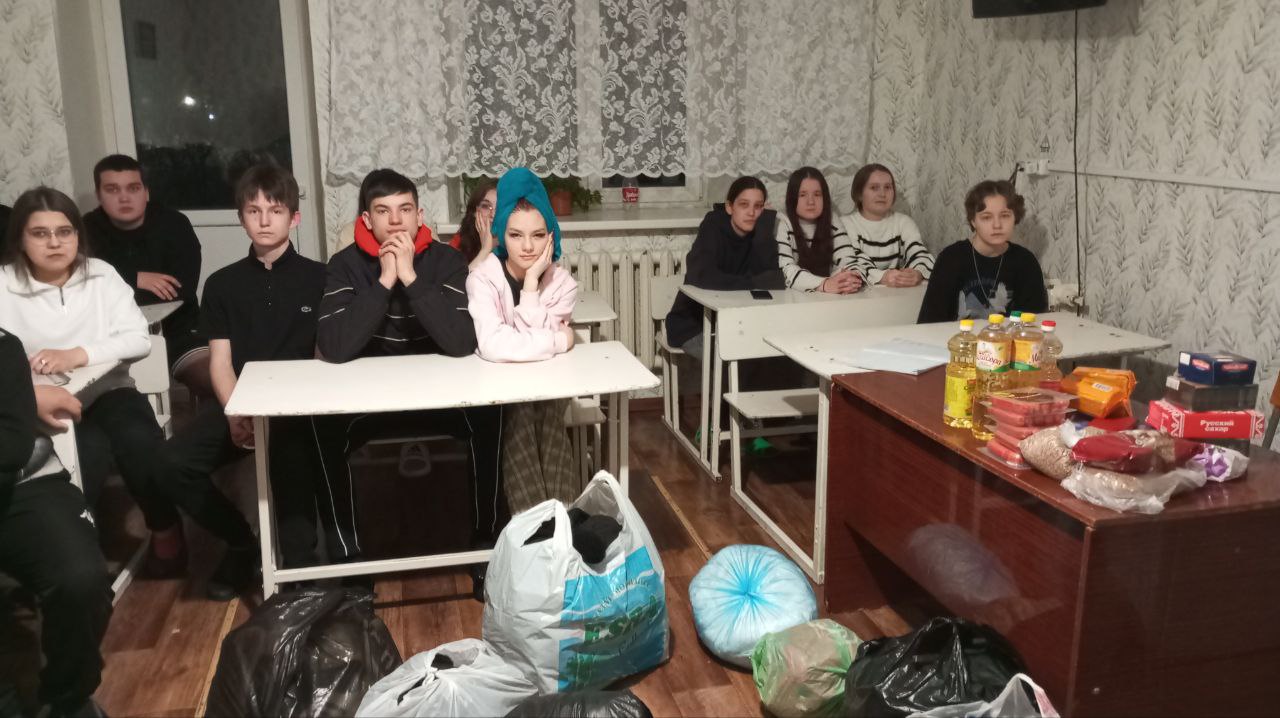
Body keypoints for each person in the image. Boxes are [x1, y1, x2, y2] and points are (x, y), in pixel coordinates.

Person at [313, 169, 504, 581]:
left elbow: (460, 342)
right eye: (383, 211)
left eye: (405, 210)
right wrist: (385, 281)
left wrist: (412, 279)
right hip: (369, 401)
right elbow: (335, 347)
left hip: (442, 397)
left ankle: (485, 547)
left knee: (493, 414)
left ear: (419, 215)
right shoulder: (345, 265)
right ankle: (348, 562)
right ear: (367, 220)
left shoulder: (446, 261)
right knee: (320, 425)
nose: (396, 220)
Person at [149, 165, 326, 598]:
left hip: (298, 408)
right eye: (253, 210)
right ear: (241, 217)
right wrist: (234, 412)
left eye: (275, 210)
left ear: (294, 218)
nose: (264, 220)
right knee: (169, 464)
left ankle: (299, 577)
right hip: (242, 401)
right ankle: (241, 543)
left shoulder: (320, 278)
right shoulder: (222, 284)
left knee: (292, 477)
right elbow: (221, 361)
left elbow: (325, 356)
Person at [0, 187, 184, 576]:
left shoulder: (100, 274)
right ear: (21, 238)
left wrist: (77, 354)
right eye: (40, 233)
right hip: (41, 403)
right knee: (87, 455)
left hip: (108, 389)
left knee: (141, 442)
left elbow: (138, 338)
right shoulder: (4, 284)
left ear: (77, 235)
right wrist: (28, 395)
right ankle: (74, 550)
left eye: (64, 232)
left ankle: (166, 529)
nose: (54, 242)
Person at [0, 328, 111, 718]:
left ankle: (69, 696)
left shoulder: (3, 344)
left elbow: (10, 446)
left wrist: (23, 396)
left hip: (23, 481)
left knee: (80, 579)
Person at [466, 167, 578, 512]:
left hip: (549, 389)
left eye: (538, 235)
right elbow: (494, 344)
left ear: (551, 235)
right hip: (500, 390)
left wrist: (530, 286)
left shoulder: (562, 284)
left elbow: (522, 340)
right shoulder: (482, 278)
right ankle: (539, 522)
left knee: (547, 411)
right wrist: (558, 342)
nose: (528, 246)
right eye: (516, 235)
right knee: (520, 412)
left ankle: (561, 521)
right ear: (501, 233)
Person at [83, 155, 212, 398]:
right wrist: (135, 278)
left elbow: (179, 291)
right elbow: (86, 289)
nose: (124, 198)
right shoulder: (85, 229)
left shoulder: (174, 224)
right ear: (99, 195)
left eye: (133, 188)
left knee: (214, 380)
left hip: (178, 329)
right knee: (110, 395)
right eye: (112, 189)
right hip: (112, 336)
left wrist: (118, 283)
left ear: (146, 192)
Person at [665, 176, 784, 360]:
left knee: (776, 356)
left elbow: (775, 280)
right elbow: (703, 276)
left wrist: (764, 228)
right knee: (739, 362)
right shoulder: (713, 225)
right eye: (744, 204)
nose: (751, 212)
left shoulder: (759, 234)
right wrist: (754, 283)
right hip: (693, 325)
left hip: (737, 325)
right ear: (729, 207)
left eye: (758, 206)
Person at [917, 179, 1048, 323]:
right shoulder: (951, 259)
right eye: (986, 217)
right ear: (973, 221)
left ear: (1015, 218)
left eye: (1005, 215)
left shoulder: (1026, 262)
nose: (997, 225)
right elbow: (929, 323)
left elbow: (1034, 323)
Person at [842, 163, 934, 288]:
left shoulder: (904, 222)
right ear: (859, 194)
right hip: (858, 294)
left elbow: (920, 254)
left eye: (887, 187)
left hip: (896, 293)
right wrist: (882, 277)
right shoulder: (845, 224)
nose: (882, 194)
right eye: (874, 188)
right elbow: (853, 262)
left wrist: (917, 273)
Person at [776, 167, 862, 293]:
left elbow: (848, 259)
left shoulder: (832, 219)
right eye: (802, 195)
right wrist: (824, 284)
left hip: (829, 298)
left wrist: (847, 279)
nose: (811, 201)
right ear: (792, 198)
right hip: (794, 297)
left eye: (817, 194)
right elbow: (786, 270)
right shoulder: (783, 221)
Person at [453, 180, 498, 270]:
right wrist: (485, 250)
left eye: (499, 207)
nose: (493, 214)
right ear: (474, 212)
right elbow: (458, 279)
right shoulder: (459, 241)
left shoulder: (517, 243)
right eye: (485, 206)